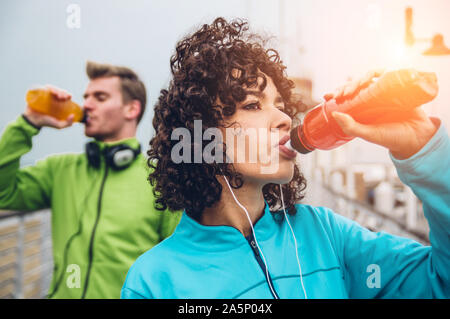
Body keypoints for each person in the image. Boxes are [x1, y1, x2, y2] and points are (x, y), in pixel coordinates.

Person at [121, 18, 450, 298]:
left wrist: (425, 150)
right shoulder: (155, 280)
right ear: (201, 134)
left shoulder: (326, 235)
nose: (282, 117)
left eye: (280, 103)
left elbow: (441, 281)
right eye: (253, 104)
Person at [0, 61, 181, 298]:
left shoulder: (160, 180)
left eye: (100, 97)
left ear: (131, 109)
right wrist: (29, 122)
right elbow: (4, 192)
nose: (87, 104)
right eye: (86, 97)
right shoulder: (59, 169)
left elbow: (176, 265)